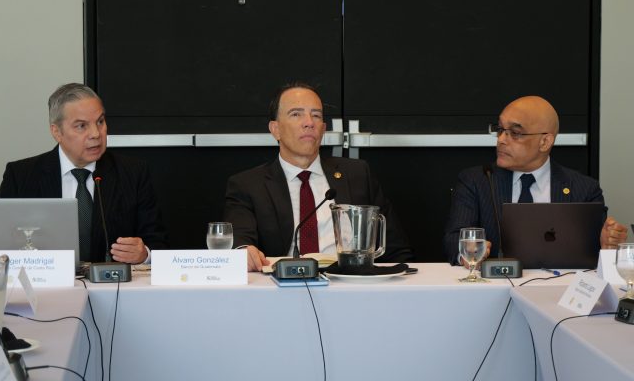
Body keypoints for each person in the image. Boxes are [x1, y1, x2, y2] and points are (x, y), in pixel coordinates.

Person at [224, 82, 415, 271]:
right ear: (276, 129)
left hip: (350, 281)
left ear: (323, 129)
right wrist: (244, 252)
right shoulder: (248, 185)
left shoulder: (358, 174)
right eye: (296, 114)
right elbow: (239, 241)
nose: (309, 122)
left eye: (316, 115)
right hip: (282, 284)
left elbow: (396, 249)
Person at [444, 95, 627, 266]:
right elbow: (454, 240)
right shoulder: (477, 181)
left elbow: (594, 255)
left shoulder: (584, 189)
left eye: (515, 132)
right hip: (496, 284)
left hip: (560, 287)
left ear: (545, 142)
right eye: (500, 130)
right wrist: (468, 252)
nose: (501, 140)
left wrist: (607, 246)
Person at [0, 83, 167, 264]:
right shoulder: (20, 176)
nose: (95, 134)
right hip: (46, 280)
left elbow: (158, 242)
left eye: (100, 122)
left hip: (112, 281)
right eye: (81, 126)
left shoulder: (133, 173)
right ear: (57, 132)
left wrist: (144, 254)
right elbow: (0, 246)